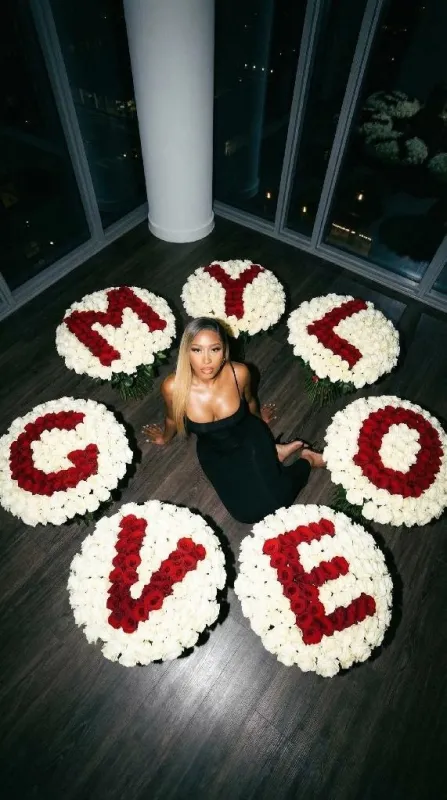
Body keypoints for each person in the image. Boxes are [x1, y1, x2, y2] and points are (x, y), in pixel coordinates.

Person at [143, 317, 325, 524]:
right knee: (246, 515)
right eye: (197, 350)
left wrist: (261, 421)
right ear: (186, 352)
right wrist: (164, 438)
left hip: (250, 439)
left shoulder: (239, 373)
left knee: (277, 501)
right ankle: (276, 453)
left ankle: (307, 459)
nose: (206, 360)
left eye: (214, 349)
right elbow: (171, 418)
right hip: (215, 453)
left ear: (224, 350)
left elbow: (250, 401)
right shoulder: (173, 387)